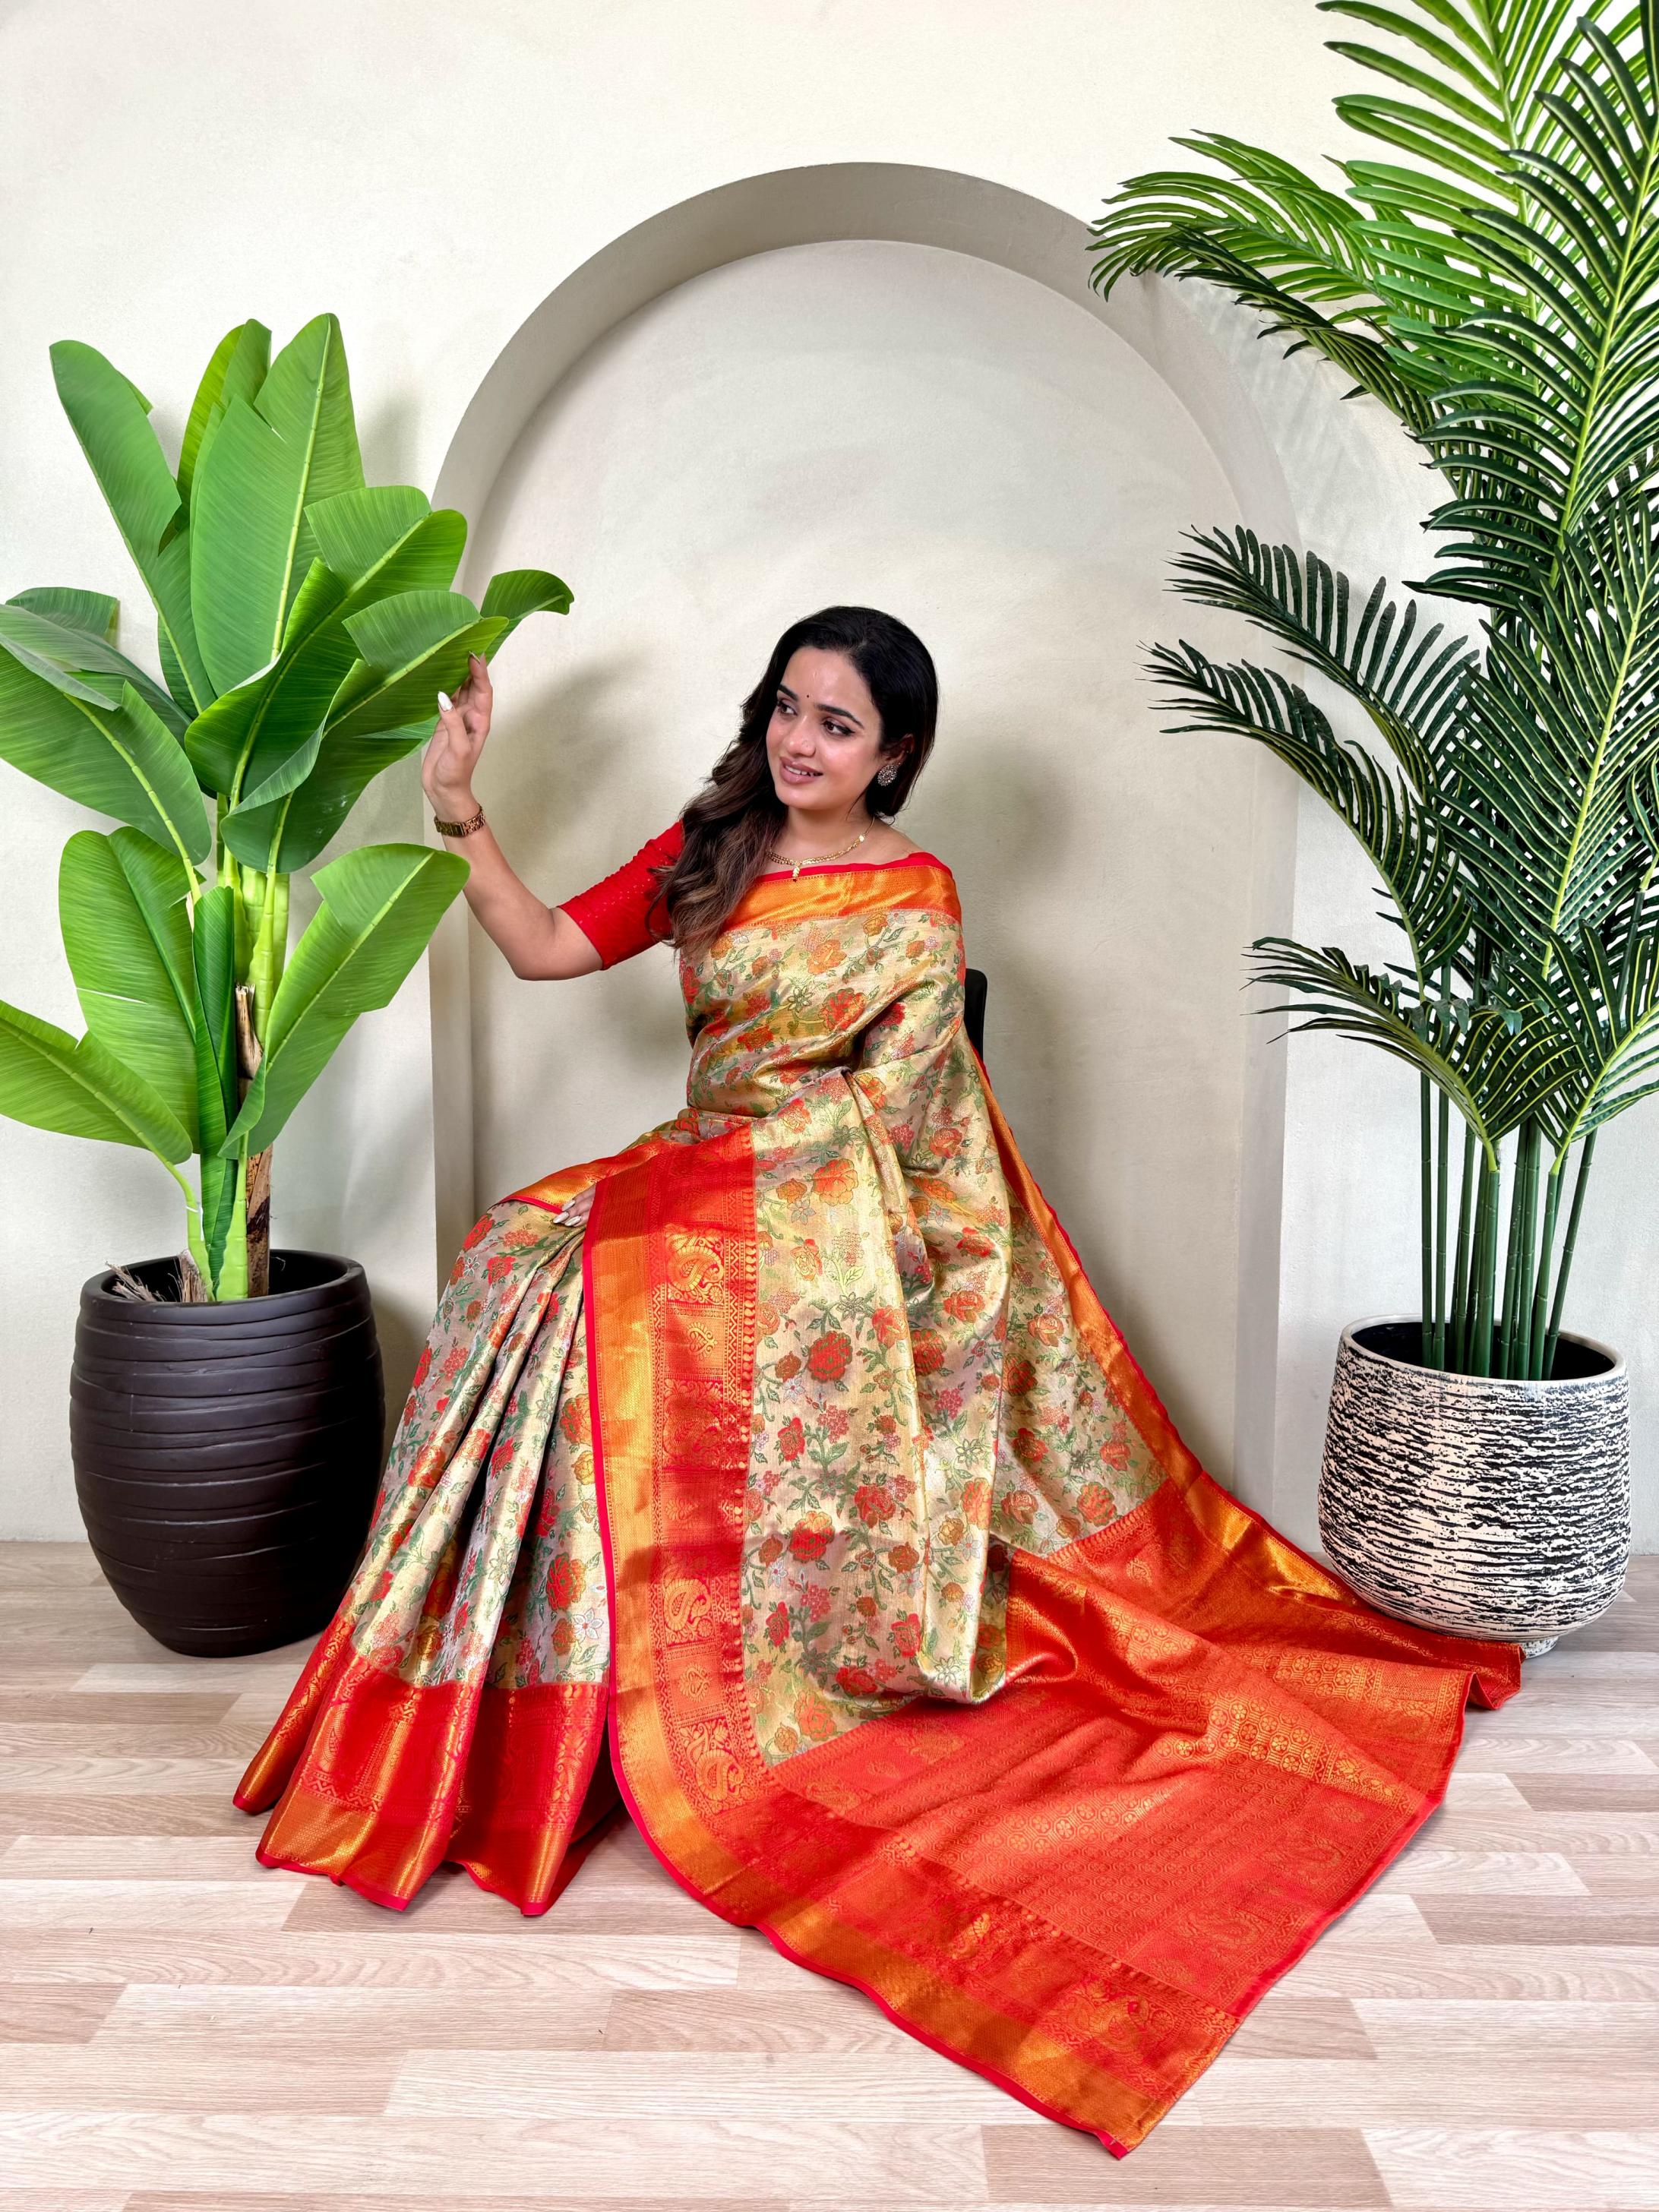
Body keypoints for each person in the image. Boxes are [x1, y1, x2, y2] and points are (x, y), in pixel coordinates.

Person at [234, 605, 1521, 2157]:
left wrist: (787, 1194)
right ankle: (532, 1697)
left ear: (894, 752)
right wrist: (459, 810)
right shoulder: (709, 844)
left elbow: (915, 1126)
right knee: (519, 1253)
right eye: (787, 706)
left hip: (831, 1212)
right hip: (698, 1171)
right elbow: (547, 947)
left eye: (835, 723)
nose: (799, 739)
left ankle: (676, 1686)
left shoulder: (916, 896)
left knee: (617, 1279)